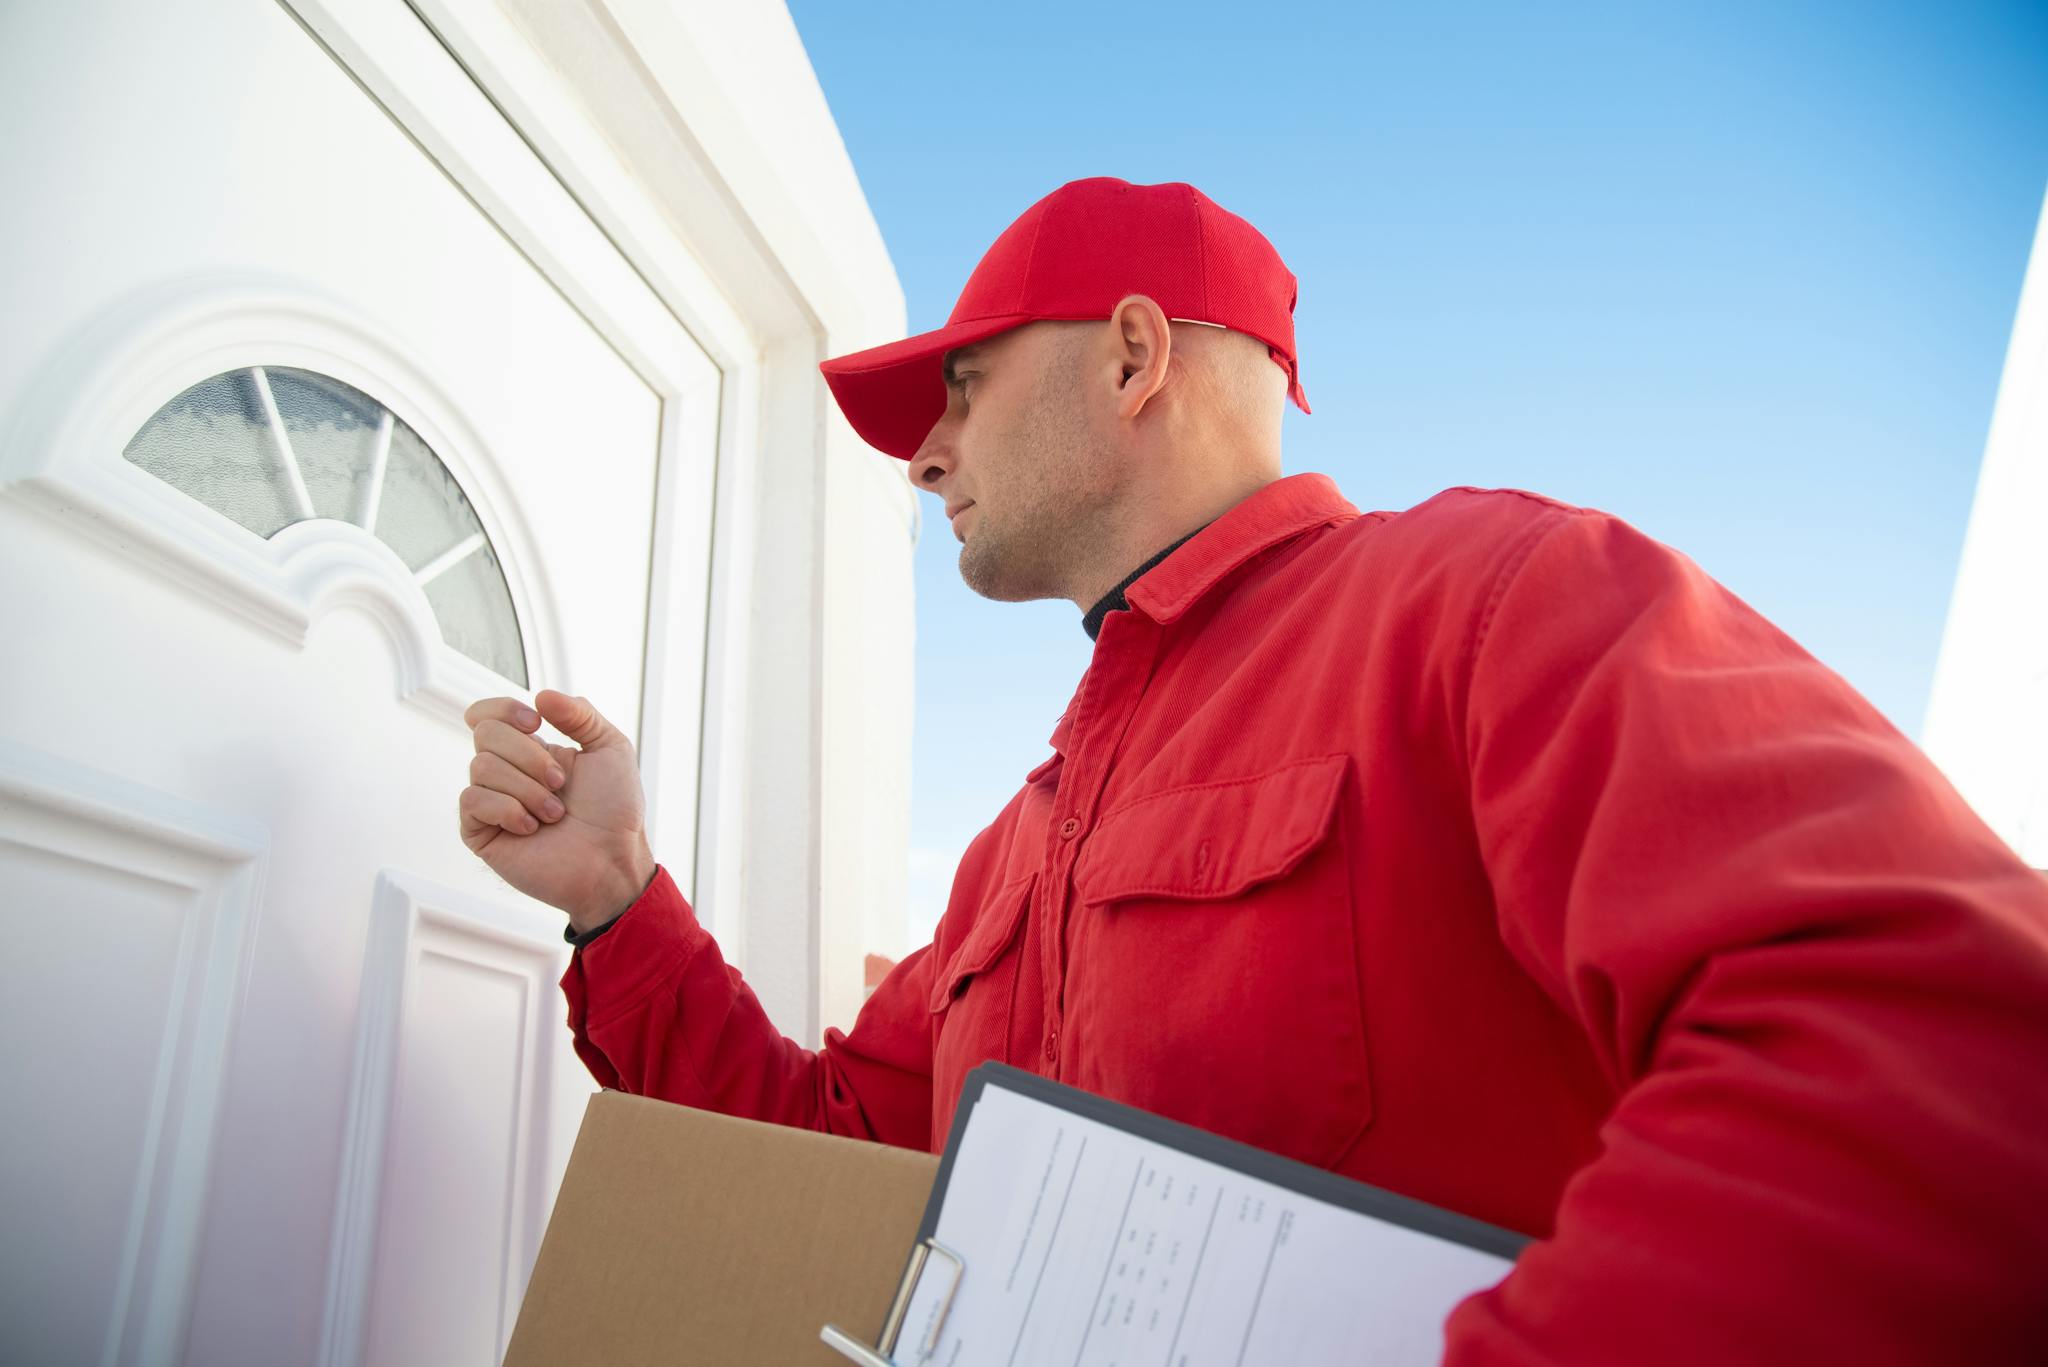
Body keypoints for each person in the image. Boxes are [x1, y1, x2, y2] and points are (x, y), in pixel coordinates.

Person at [458, 177, 2048, 1361]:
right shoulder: (1015, 850)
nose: (926, 453)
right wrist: (617, 903)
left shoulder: (1486, 607)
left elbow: (1943, 1040)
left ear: (1136, 356)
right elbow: (837, 1162)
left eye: (961, 387)